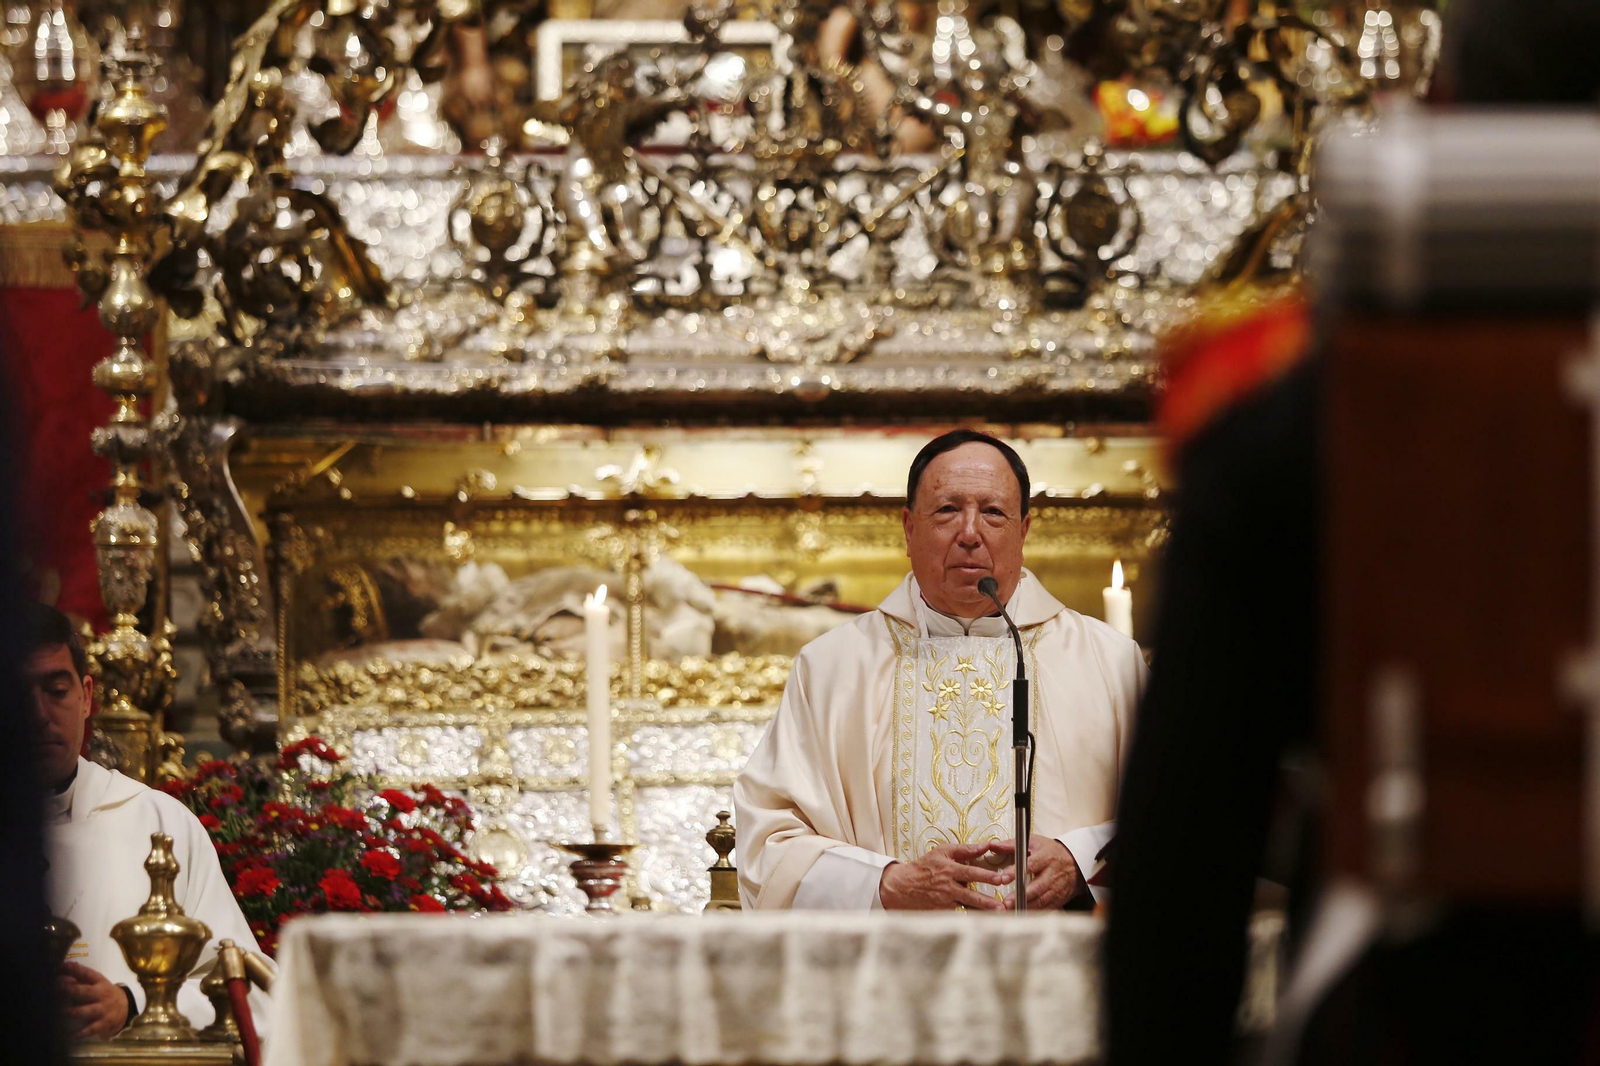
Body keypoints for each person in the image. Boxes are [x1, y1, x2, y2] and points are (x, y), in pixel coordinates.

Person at [734, 430, 1147, 910]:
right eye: (947, 510)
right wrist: (884, 884)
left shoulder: (1110, 663)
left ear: (1024, 530)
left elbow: (1185, 807)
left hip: (1062, 968)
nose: (970, 533)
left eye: (993, 512)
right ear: (909, 528)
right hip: (891, 972)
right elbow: (770, 842)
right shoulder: (832, 669)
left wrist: (1079, 862)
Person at [26, 602, 272, 1038]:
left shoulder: (159, 824)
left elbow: (247, 990)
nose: (38, 715)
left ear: (86, 697)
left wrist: (134, 1004)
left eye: (56, 691)